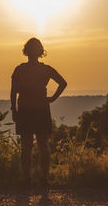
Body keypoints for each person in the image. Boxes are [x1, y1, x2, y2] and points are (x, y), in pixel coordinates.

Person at [10, 37, 67, 190]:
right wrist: (52, 99)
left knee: (26, 146)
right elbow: (63, 83)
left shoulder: (19, 69)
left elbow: (13, 93)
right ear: (41, 52)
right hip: (41, 109)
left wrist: (14, 111)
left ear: (26, 51)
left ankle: (27, 178)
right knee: (43, 145)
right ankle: (44, 179)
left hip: (25, 110)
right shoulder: (46, 69)